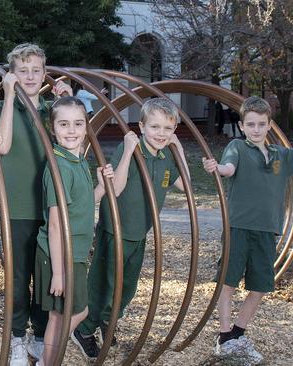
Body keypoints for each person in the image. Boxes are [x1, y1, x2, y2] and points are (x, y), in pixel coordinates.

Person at [202, 96, 293, 364]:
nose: (256, 129)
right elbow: (228, 168)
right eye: (251, 124)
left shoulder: (282, 155)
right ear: (242, 125)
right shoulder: (237, 147)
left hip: (267, 231)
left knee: (259, 287)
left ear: (269, 125)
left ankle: (237, 334)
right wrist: (217, 168)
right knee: (228, 284)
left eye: (261, 123)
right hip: (238, 228)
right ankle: (224, 340)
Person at [72, 98, 189, 360]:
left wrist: (178, 147)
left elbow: (186, 184)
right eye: (155, 127)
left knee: (128, 286)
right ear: (142, 126)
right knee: (105, 282)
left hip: (140, 231)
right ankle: (84, 329)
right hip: (116, 229)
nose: (161, 134)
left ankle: (108, 320)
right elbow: (116, 188)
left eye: (168, 129)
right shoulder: (132, 151)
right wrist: (127, 151)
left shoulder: (167, 155)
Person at [0, 43, 71, 365]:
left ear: (45, 73)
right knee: (19, 278)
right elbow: (4, 146)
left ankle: (39, 335)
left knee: (48, 275)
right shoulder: (0, 106)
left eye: (37, 70)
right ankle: (17, 338)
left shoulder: (54, 110)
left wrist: (66, 96)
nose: (31, 76)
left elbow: (75, 139)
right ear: (12, 74)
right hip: (18, 207)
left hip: (50, 207)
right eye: (23, 71)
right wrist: (9, 95)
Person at [33, 96, 114, 366]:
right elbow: (56, 225)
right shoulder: (59, 168)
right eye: (64, 124)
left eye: (78, 123)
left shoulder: (78, 161)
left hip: (73, 252)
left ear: (87, 127)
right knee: (72, 313)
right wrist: (58, 273)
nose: (72, 130)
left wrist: (101, 189)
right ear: (52, 128)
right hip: (60, 254)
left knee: (64, 315)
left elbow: (79, 205)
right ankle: (48, 358)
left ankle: (48, 356)